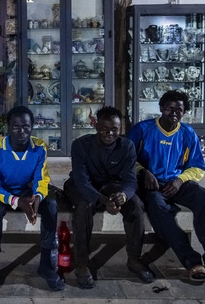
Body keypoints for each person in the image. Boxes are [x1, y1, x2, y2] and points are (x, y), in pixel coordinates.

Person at [127, 90, 205, 283]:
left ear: (184, 112)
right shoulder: (142, 129)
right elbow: (126, 158)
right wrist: (143, 172)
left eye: (178, 109)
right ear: (161, 108)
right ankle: (192, 261)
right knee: (157, 207)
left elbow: (198, 167)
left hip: (177, 183)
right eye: (169, 108)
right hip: (151, 185)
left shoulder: (187, 133)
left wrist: (179, 180)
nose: (173, 113)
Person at [64, 106, 155, 289]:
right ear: (96, 126)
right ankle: (82, 264)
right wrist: (104, 200)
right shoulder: (80, 145)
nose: (110, 133)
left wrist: (123, 195)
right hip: (81, 186)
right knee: (83, 207)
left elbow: (130, 180)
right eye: (105, 128)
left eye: (115, 129)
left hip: (111, 185)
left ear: (120, 128)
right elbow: (81, 181)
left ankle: (134, 259)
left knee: (136, 205)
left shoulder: (127, 146)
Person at [0, 105, 64, 294]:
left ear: (32, 127)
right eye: (16, 126)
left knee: (51, 205)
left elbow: (41, 179)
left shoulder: (39, 147)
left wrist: (38, 197)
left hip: (26, 191)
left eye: (26, 126)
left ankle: (45, 264)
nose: (21, 131)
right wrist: (17, 201)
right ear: (8, 128)